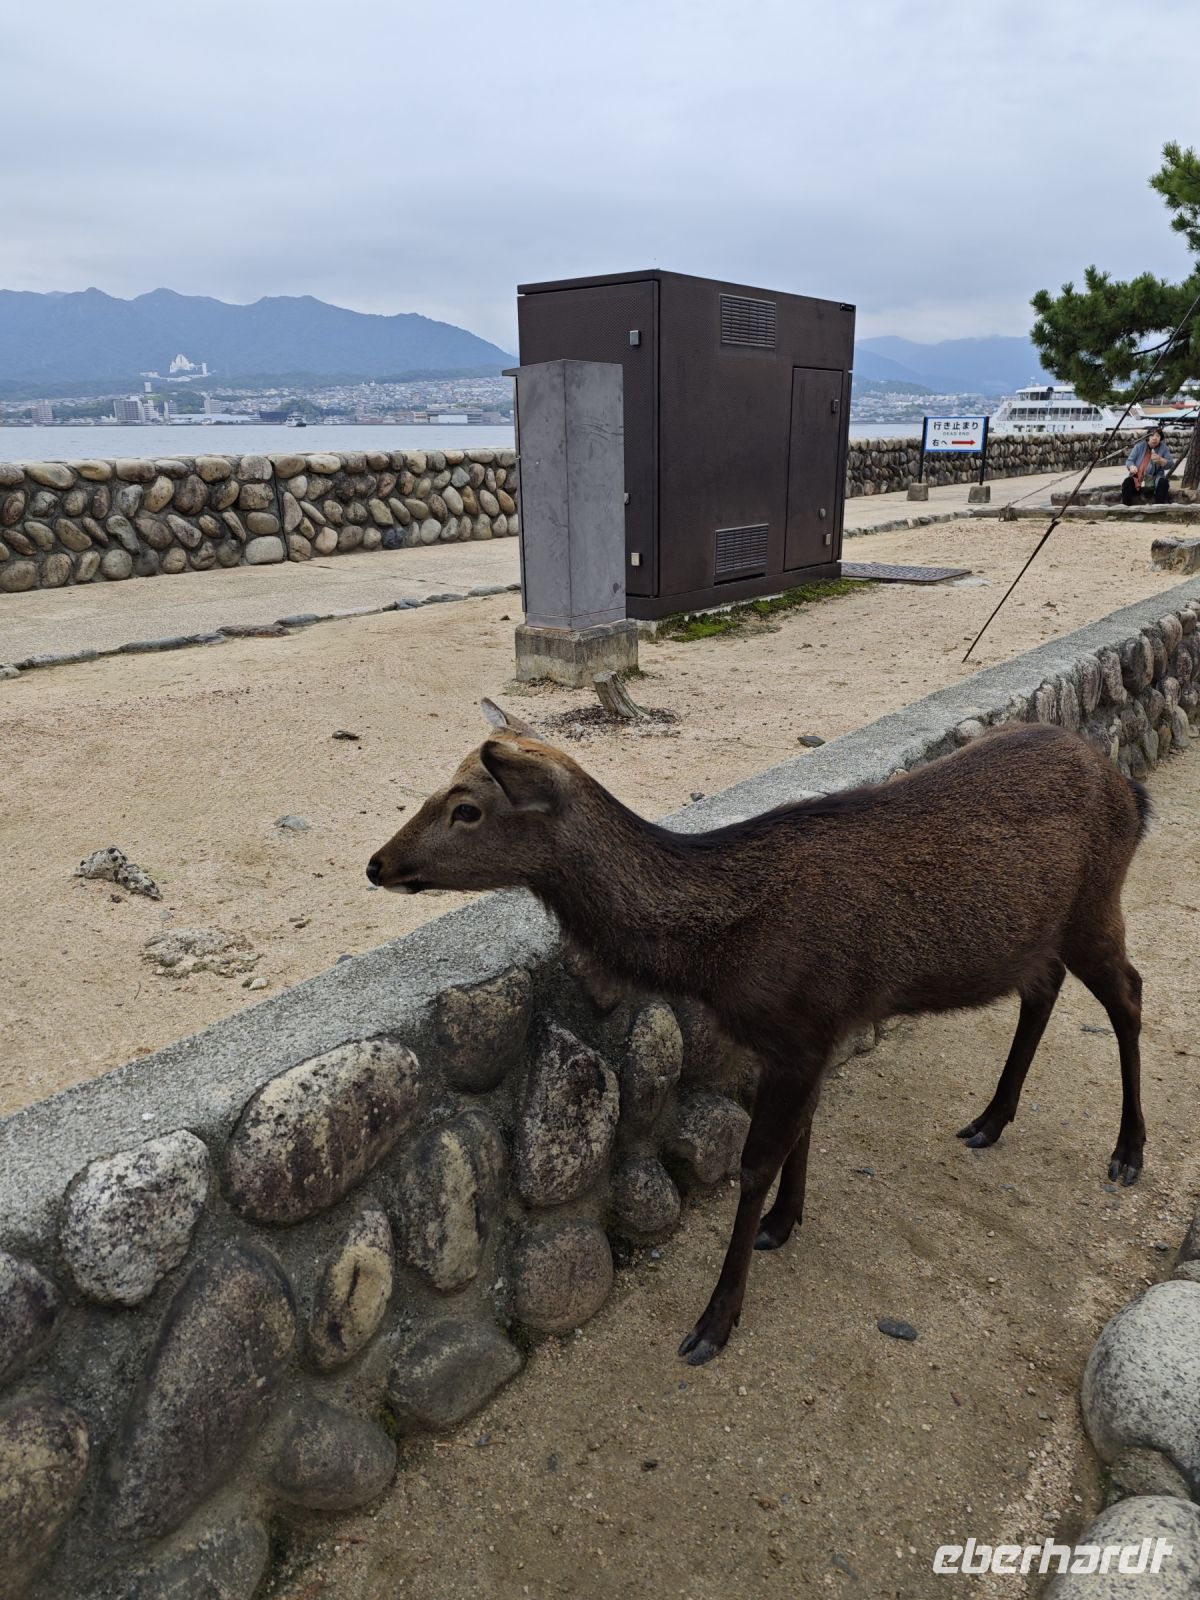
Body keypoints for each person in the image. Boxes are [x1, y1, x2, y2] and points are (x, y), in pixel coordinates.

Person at [1122, 428, 1173, 504]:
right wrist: (1132, 466)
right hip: (1138, 475)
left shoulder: (1163, 448)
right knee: (1127, 482)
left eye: (1158, 436)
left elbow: (1170, 463)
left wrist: (1160, 460)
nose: (1155, 438)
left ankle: (1159, 508)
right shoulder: (1139, 446)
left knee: (1164, 483)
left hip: (1155, 478)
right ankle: (1126, 508)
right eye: (1152, 435)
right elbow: (1130, 461)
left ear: (1160, 438)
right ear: (1147, 437)